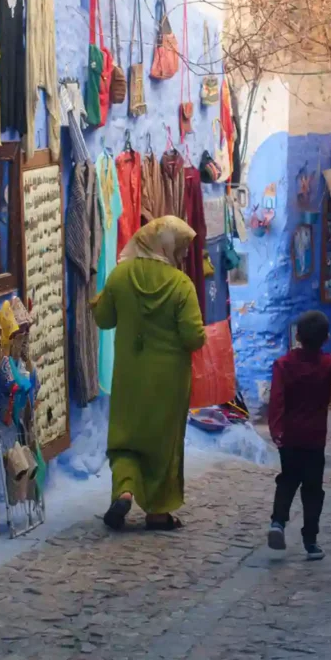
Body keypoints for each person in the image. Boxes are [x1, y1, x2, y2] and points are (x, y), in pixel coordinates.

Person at [91, 216, 206, 532]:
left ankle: (125, 491)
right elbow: (193, 337)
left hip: (129, 375)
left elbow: (103, 320)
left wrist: (98, 301)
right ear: (167, 247)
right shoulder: (182, 285)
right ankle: (157, 513)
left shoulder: (120, 274)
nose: (182, 256)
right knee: (163, 446)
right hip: (169, 381)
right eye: (180, 248)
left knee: (126, 440)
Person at [267, 310, 331, 560]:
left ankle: (278, 523)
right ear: (325, 338)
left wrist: (276, 430)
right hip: (314, 439)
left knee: (288, 480)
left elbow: (276, 401)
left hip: (289, 438)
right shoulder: (327, 366)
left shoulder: (283, 365)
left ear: (298, 336)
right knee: (313, 490)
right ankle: (311, 542)